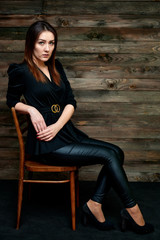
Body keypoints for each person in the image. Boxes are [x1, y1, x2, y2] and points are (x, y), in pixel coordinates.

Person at [6, 21, 154, 234]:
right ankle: (134, 212)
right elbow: (11, 101)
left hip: (65, 132)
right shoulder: (20, 71)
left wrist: (57, 125)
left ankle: (94, 204)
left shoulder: (56, 67)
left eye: (52, 43)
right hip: (47, 144)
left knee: (116, 152)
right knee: (109, 156)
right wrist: (31, 109)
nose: (47, 48)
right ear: (31, 43)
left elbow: (70, 101)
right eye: (42, 43)